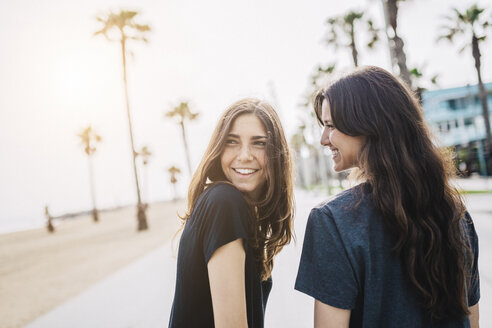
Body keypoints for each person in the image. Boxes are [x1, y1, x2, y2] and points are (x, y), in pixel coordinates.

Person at [295, 66, 480, 328]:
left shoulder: (332, 222)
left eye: (331, 125)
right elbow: (472, 321)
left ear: (369, 126)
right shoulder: (456, 215)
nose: (324, 139)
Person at [169, 98, 294, 328]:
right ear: (219, 149)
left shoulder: (228, 205)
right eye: (232, 142)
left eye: (259, 143)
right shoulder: (225, 202)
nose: (244, 155)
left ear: (277, 154)